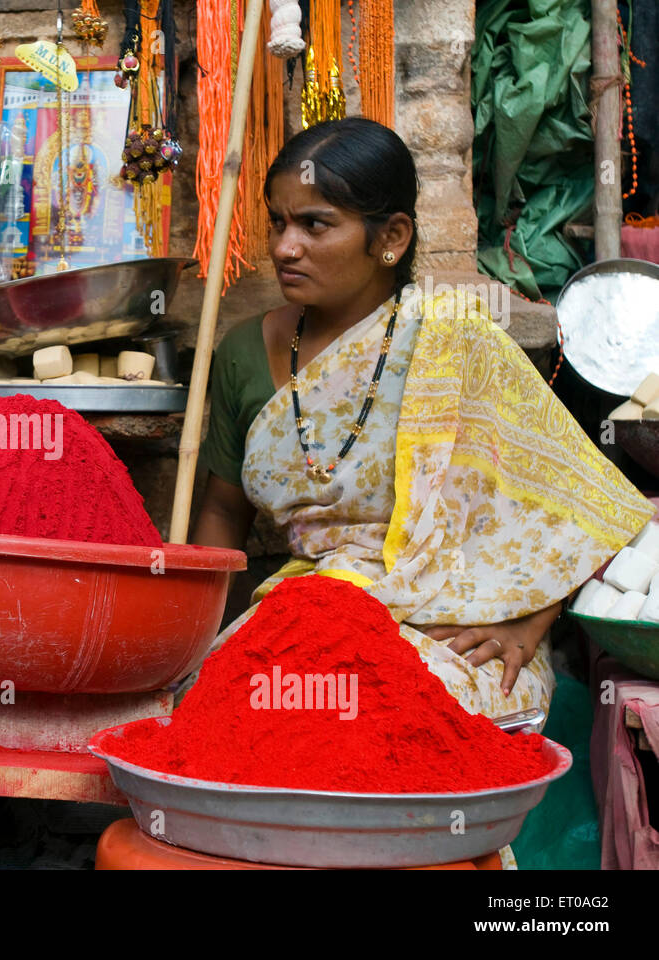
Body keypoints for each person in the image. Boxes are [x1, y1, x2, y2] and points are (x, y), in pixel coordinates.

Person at [193, 118, 652, 722]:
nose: (283, 246)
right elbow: (224, 509)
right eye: (277, 221)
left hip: (451, 620)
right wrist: (192, 643)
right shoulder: (242, 353)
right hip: (307, 608)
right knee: (240, 709)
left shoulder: (454, 338)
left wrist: (527, 622)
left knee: (403, 719)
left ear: (392, 237)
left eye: (314, 224)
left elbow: (584, 503)